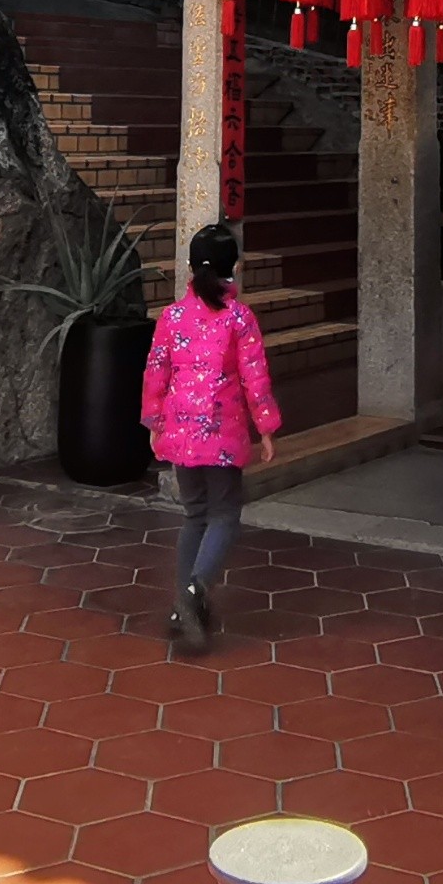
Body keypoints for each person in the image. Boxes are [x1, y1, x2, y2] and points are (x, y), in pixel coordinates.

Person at [140, 220, 279, 656]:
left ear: (189, 266)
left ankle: (183, 606)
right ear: (231, 268)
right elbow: (255, 378)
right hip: (221, 435)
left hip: (180, 432)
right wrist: (267, 427)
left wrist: (154, 422)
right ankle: (196, 592)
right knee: (225, 515)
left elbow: (156, 372)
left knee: (194, 514)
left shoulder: (171, 317)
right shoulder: (239, 318)